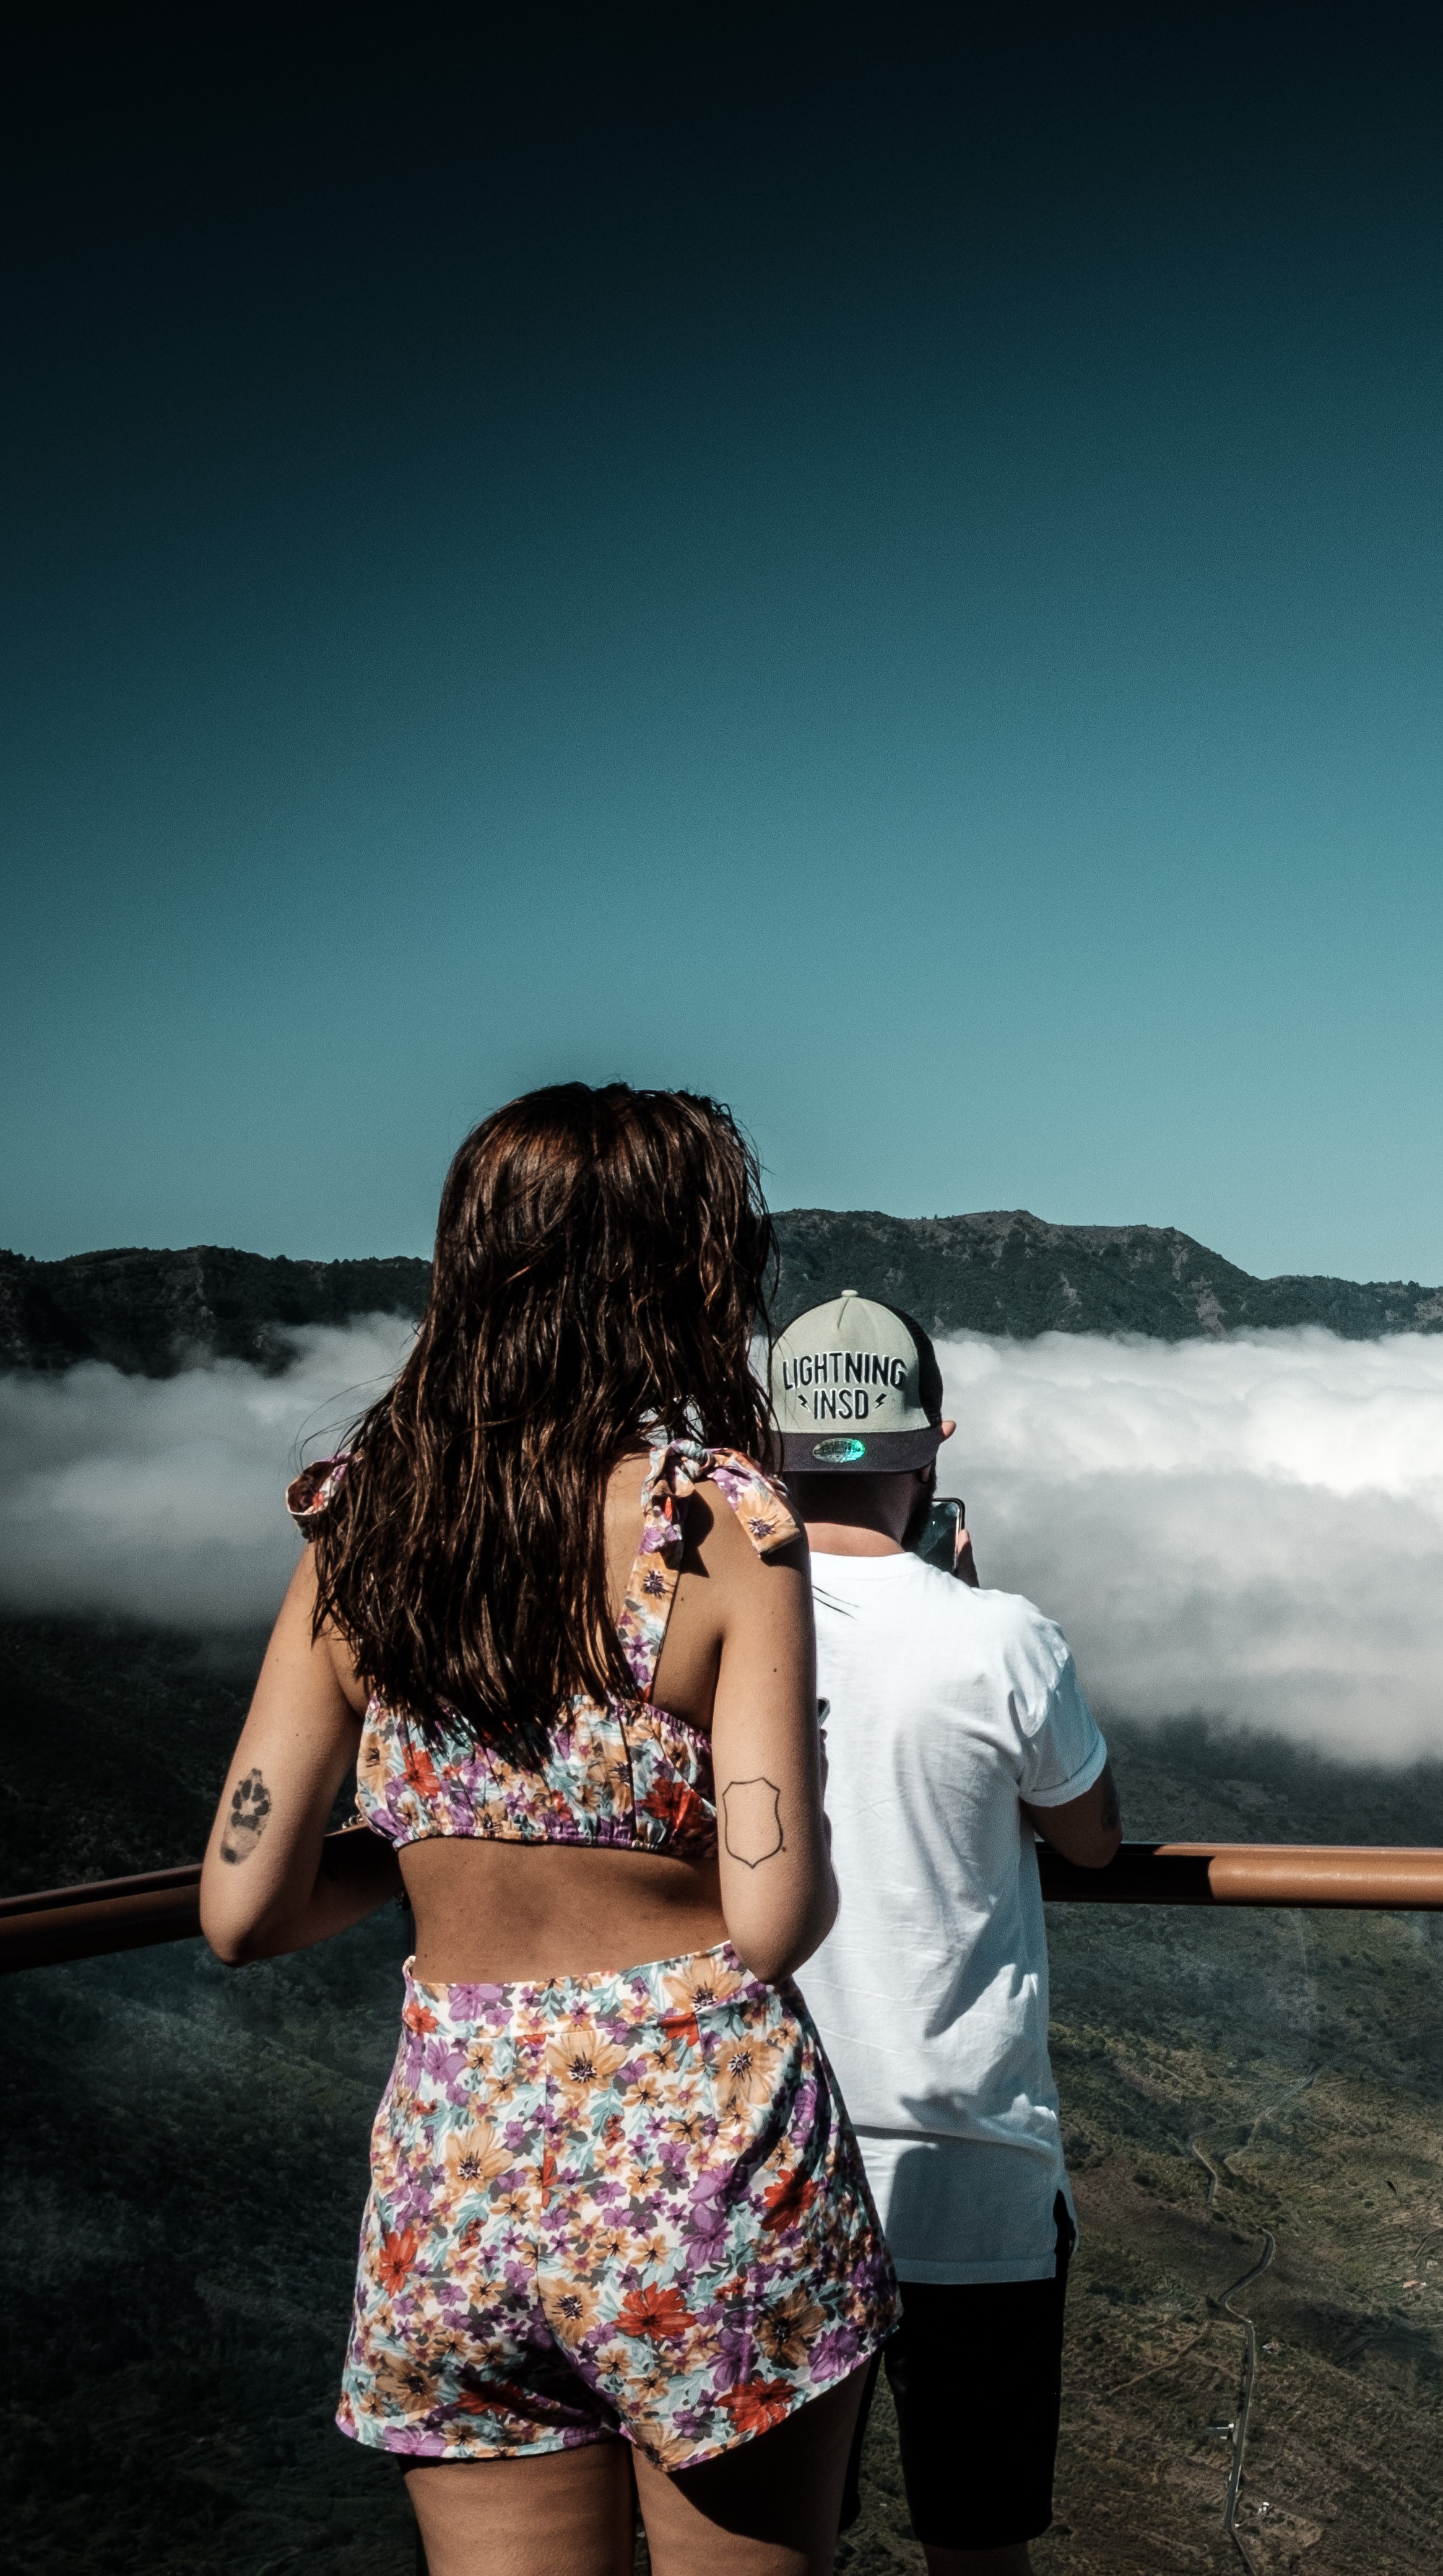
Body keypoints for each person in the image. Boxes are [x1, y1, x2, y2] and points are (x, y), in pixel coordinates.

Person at [199, 1084, 893, 2576]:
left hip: (456, 2177)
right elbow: (771, 1918)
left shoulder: (358, 1521)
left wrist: (443, 1844)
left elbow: (241, 1906)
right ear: (688, 1271)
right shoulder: (721, 1522)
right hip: (698, 2169)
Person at [766, 1290, 1121, 2575]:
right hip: (974, 2169)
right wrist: (961, 1600)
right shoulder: (999, 1638)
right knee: (977, 2543)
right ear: (935, 1449)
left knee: (776, 2538)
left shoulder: (705, 1639)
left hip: (771, 2160)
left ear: (772, 1451)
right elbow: (1088, 1835)